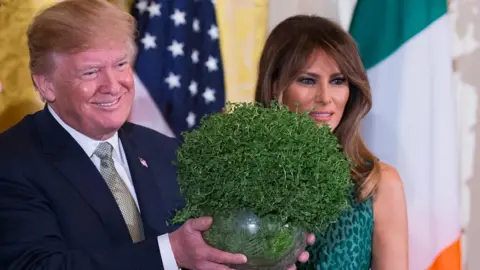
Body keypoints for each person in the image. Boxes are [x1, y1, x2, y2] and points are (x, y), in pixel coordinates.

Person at [0, 1, 313, 269]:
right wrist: (170, 252)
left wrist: (261, 254)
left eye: (121, 64)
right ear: (46, 84)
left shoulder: (165, 151)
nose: (113, 84)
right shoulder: (13, 160)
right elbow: (38, 265)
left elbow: (201, 246)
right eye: (91, 71)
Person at [255, 15, 409, 270]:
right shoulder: (242, 176)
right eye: (307, 80)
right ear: (274, 86)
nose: (325, 98)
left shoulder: (377, 184)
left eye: (338, 81)